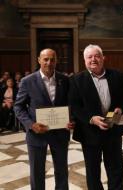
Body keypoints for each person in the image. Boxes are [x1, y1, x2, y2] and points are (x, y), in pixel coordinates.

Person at [69, 44, 123, 190]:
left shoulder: (117, 75)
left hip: (113, 129)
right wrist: (91, 119)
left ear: (103, 58)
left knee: (116, 168)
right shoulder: (76, 80)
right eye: (89, 57)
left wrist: (120, 108)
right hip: (89, 132)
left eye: (96, 56)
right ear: (84, 60)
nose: (93, 59)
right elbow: (74, 106)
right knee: (93, 172)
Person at [14, 48, 73, 190]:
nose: (49, 62)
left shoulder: (64, 80)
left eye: (52, 59)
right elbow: (18, 107)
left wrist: (72, 119)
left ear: (56, 61)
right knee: (37, 172)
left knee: (62, 171)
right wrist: (31, 124)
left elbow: (71, 104)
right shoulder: (27, 81)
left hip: (60, 133)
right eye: (45, 59)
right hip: (36, 134)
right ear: (39, 60)